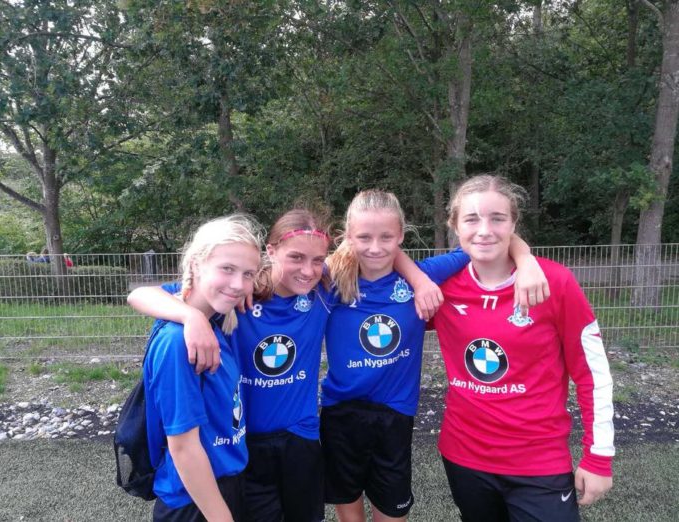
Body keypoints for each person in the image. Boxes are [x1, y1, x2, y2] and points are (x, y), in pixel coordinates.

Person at [129, 207, 448, 522]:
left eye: (317, 260)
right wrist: (191, 316)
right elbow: (141, 294)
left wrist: (419, 280)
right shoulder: (241, 292)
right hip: (248, 443)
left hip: (301, 437)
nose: (308, 270)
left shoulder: (323, 288)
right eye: (296, 257)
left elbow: (375, 248)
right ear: (271, 251)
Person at [319, 189, 548, 522]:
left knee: (391, 506)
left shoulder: (426, 275)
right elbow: (287, 272)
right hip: (340, 411)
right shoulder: (332, 283)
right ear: (349, 237)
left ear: (401, 235)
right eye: (364, 237)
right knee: (348, 502)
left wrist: (526, 261)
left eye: (386, 237)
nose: (375, 247)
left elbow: (484, 241)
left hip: (395, 413)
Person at [432, 175, 615, 522]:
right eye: (471, 219)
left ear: (513, 224)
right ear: (455, 226)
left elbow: (592, 373)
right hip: (464, 457)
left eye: (497, 218)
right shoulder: (440, 287)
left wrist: (599, 455)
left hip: (539, 461)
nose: (484, 230)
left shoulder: (554, 282)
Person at [142, 214, 263, 522]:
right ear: (196, 264)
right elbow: (183, 448)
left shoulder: (217, 320)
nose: (238, 285)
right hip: (194, 501)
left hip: (225, 482)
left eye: (248, 274)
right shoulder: (177, 341)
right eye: (227, 269)